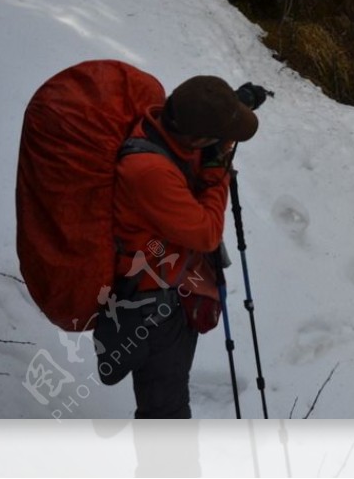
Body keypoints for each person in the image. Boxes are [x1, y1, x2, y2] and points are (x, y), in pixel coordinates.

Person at [94, 75, 259, 418]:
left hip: (172, 284)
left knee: (168, 399)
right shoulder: (149, 170)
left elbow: (204, 110)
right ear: (198, 138)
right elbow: (207, 233)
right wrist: (217, 172)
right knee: (164, 413)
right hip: (151, 307)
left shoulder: (169, 127)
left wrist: (237, 104)